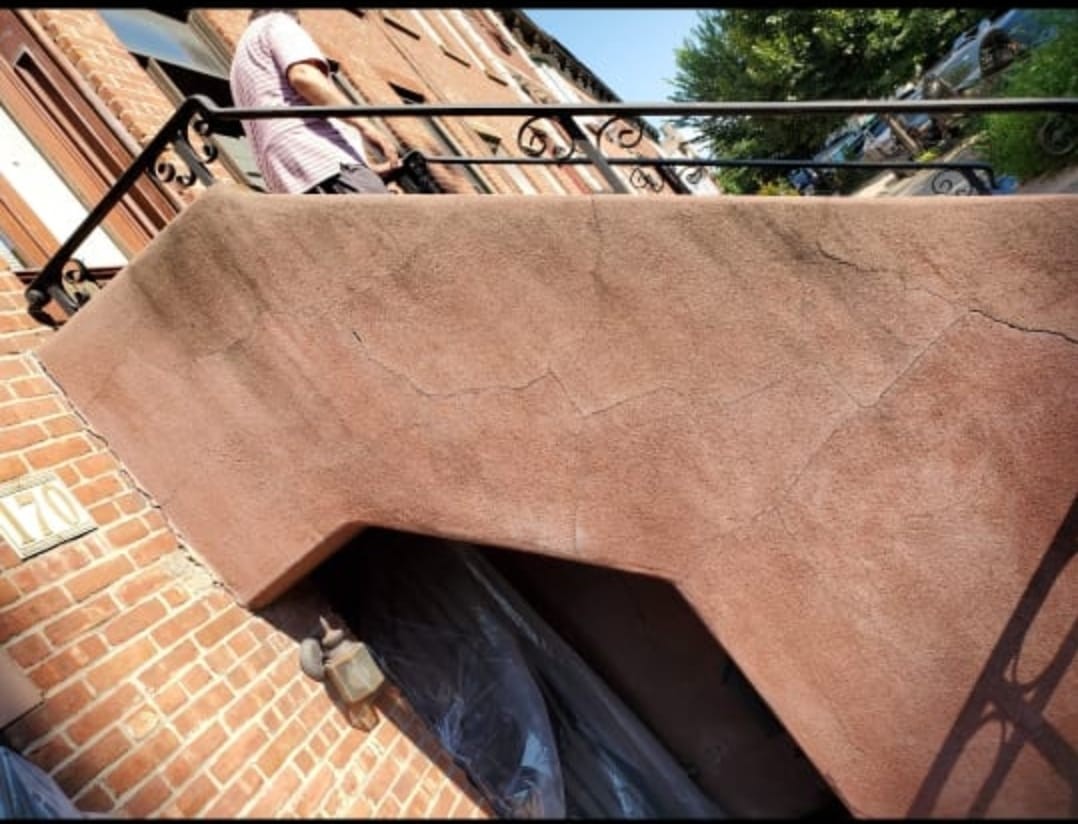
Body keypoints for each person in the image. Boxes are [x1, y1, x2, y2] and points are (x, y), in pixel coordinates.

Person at [229, 9, 400, 195]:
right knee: (389, 213)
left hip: (292, 178)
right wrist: (367, 127)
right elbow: (304, 75)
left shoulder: (242, 55)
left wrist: (367, 170)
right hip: (323, 160)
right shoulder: (278, 23)